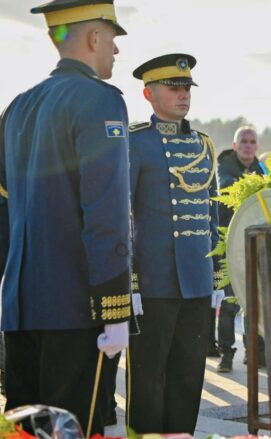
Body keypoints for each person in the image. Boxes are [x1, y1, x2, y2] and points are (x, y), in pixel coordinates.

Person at [0, 1, 131, 434]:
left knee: (26, 430)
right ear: (94, 37)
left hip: (20, 304)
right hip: (76, 307)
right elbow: (106, 209)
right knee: (74, 426)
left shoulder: (18, 107)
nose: (115, 51)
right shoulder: (100, 101)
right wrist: (115, 307)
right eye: (112, 39)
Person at [126, 53, 222, 434]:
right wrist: (130, 282)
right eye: (174, 88)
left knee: (188, 372)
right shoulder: (136, 143)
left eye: (186, 88)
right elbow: (122, 217)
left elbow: (211, 216)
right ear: (149, 94)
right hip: (154, 281)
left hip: (196, 279)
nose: (183, 95)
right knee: (149, 374)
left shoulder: (204, 145)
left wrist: (217, 277)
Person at [215, 125, 268, 373]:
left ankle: (254, 352)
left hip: (257, 244)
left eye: (252, 141)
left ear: (257, 146)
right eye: (243, 141)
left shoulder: (263, 169)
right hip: (230, 243)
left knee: (255, 303)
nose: (248, 145)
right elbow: (229, 190)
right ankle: (226, 354)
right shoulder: (224, 167)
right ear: (235, 145)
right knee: (228, 305)